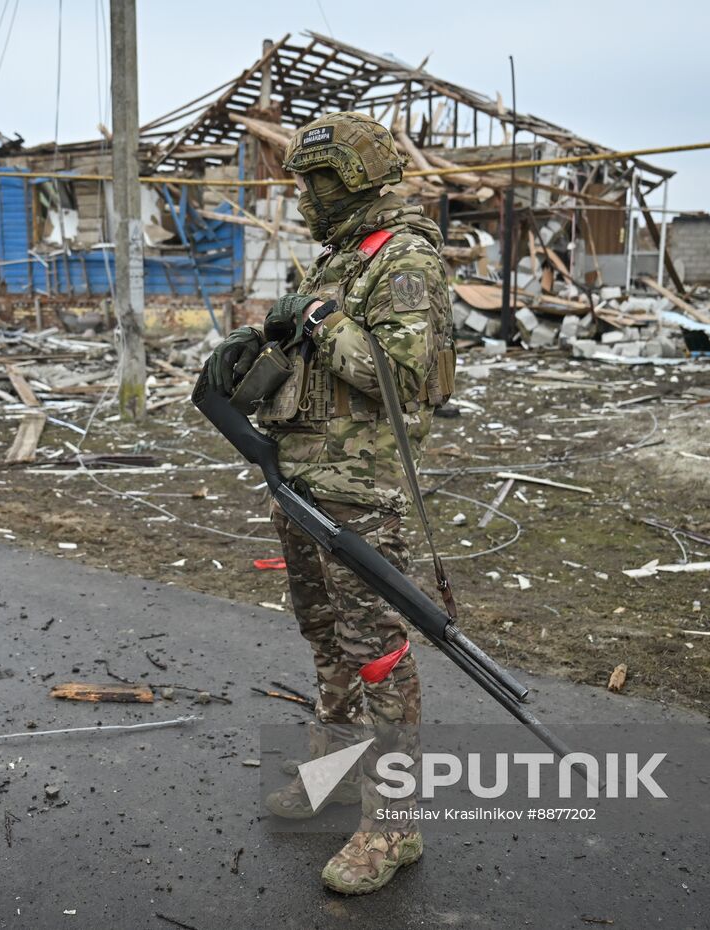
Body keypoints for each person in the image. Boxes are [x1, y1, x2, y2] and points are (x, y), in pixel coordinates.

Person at [205, 111, 456, 895]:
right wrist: (255, 350)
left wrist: (314, 316)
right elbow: (309, 359)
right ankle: (338, 768)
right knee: (325, 637)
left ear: (352, 180)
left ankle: (395, 824)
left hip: (358, 493)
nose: (305, 199)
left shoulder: (404, 258)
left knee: (377, 652)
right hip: (301, 479)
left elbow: (401, 376)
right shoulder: (339, 261)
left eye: (314, 182)